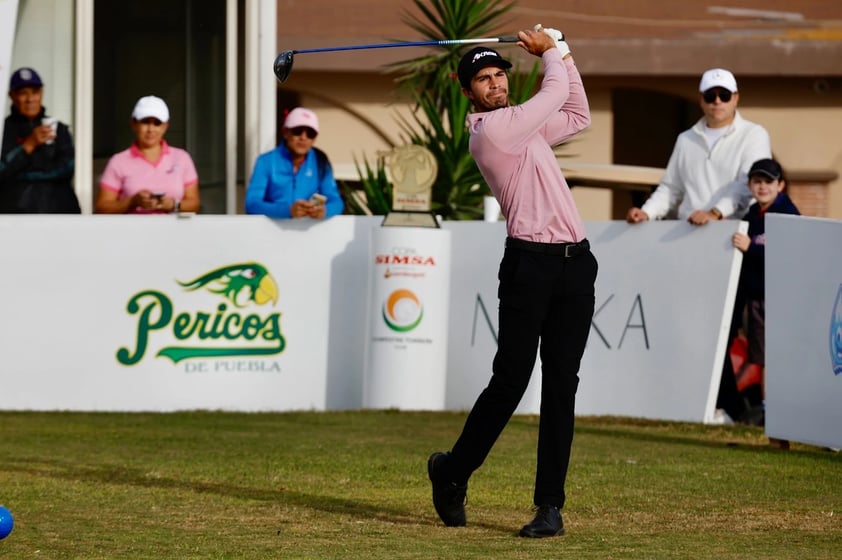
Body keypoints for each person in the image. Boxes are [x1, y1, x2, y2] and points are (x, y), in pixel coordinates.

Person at [427, 26, 596, 539]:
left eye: (500, 74)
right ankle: (452, 472)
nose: (496, 83)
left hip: (575, 264)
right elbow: (554, 92)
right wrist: (551, 51)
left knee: (561, 387)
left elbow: (578, 113)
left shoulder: (524, 128)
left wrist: (561, 51)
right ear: (468, 93)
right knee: (511, 383)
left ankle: (550, 508)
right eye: (483, 78)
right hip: (529, 266)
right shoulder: (492, 133)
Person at [626, 68, 771, 226]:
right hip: (688, 230)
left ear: (736, 98)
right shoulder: (685, 139)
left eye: (724, 95)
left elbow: (747, 184)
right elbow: (671, 188)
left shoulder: (754, 134)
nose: (717, 101)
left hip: (733, 231)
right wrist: (646, 212)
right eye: (710, 96)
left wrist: (715, 212)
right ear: (701, 99)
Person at [731, 158, 799, 446]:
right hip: (758, 301)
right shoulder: (752, 213)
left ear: (780, 185)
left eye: (768, 181)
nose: (762, 186)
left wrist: (751, 248)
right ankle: (775, 430)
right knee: (765, 362)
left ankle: (784, 428)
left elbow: (791, 250)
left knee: (782, 362)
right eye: (757, 181)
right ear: (749, 185)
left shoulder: (786, 212)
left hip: (784, 301)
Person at [96, 95, 200, 214]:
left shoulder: (182, 158)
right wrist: (132, 201)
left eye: (157, 123)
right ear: (134, 124)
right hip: (132, 231)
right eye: (145, 122)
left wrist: (172, 204)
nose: (151, 129)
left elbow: (194, 204)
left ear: (166, 126)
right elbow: (102, 207)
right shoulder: (118, 161)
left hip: (173, 232)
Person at [1, 67, 80, 213]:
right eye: (23, 93)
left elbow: (68, 168)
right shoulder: (3, 130)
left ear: (42, 93)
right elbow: (3, 170)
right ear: (11, 96)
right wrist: (27, 146)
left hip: (59, 211)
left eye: (35, 92)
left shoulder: (58, 129)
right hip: (17, 215)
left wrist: (24, 175)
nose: (30, 99)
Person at [244, 107, 343, 219]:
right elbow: (252, 204)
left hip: (309, 233)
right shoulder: (265, 161)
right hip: (272, 233)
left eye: (310, 133)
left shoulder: (321, 161)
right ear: (285, 132)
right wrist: (288, 211)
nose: (303, 137)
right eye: (297, 131)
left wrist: (324, 211)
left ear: (314, 138)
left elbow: (336, 202)